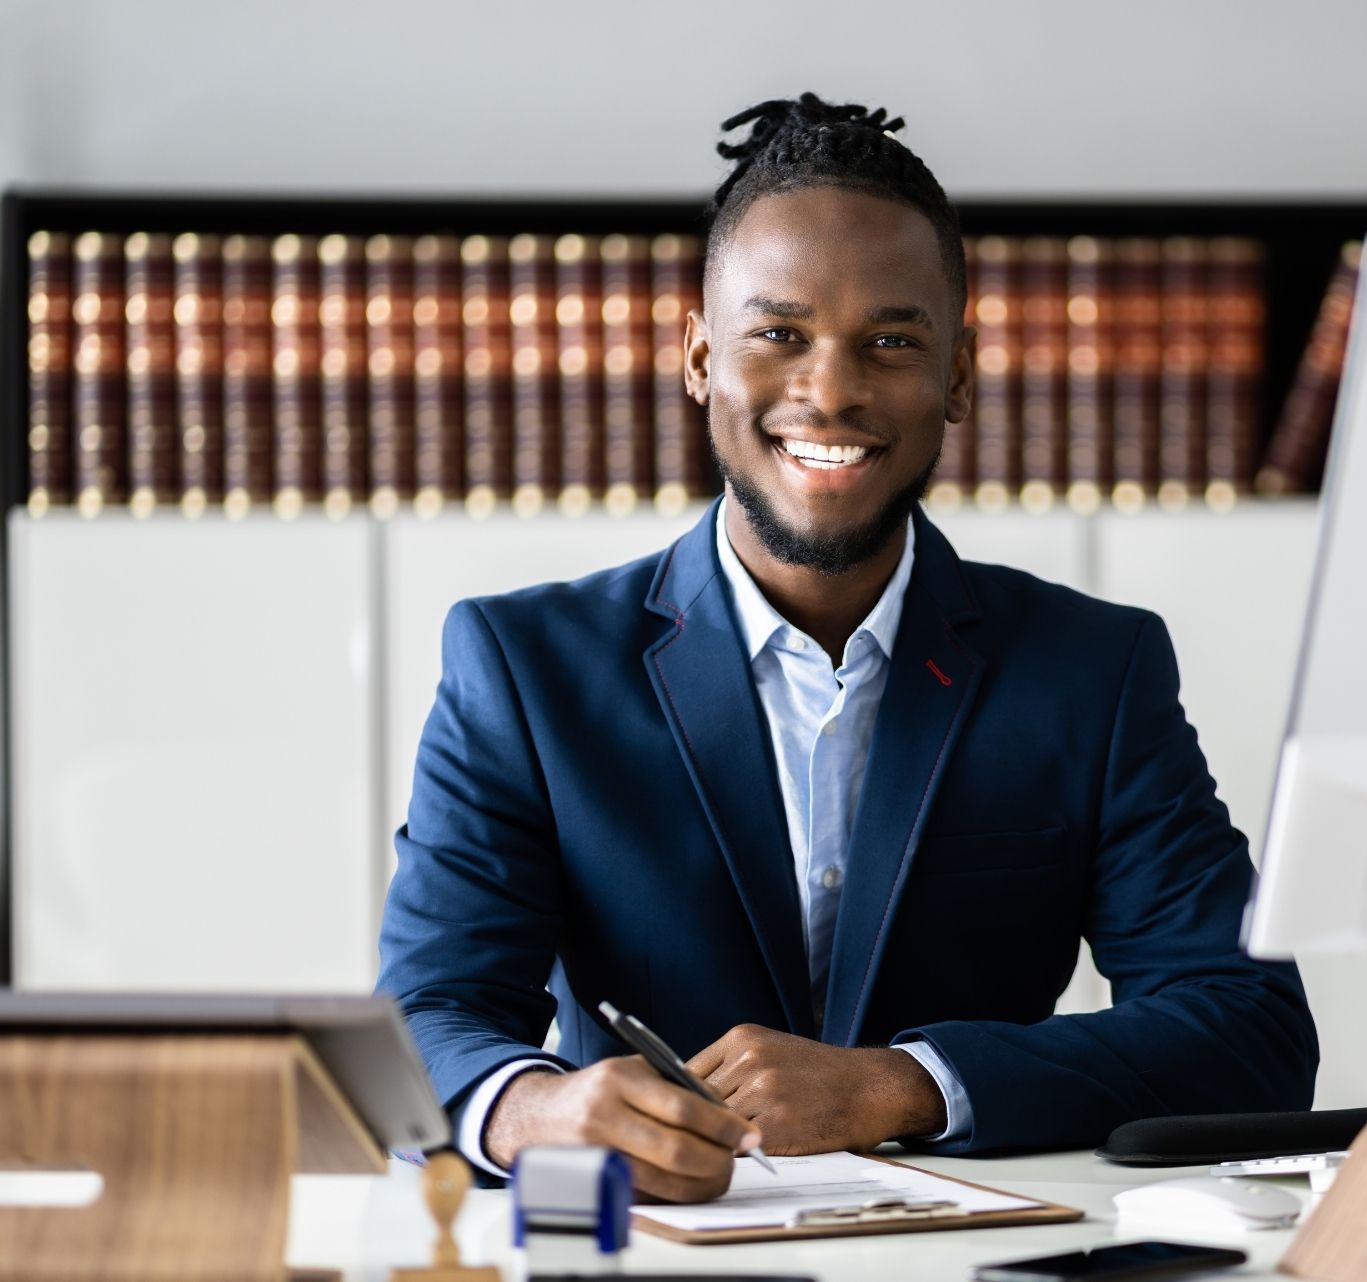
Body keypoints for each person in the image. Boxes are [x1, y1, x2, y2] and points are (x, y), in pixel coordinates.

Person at [378, 93, 1316, 1204]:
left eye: (890, 340)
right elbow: (428, 1018)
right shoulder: (522, 667)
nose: (830, 390)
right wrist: (535, 1107)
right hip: (659, 1249)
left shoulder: (1093, 670)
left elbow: (1247, 1028)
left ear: (959, 373)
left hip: (978, 1257)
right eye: (779, 335)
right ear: (698, 358)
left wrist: (906, 1083)